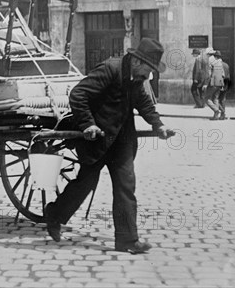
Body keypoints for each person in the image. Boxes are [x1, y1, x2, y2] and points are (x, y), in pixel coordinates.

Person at [44, 38, 175, 253]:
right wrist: (88, 124)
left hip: (122, 141)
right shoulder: (110, 69)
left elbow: (144, 104)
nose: (149, 75)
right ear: (136, 62)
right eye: (148, 69)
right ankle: (54, 214)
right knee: (86, 182)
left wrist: (158, 125)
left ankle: (127, 240)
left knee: (126, 186)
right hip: (97, 139)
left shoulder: (136, 79)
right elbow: (78, 94)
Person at [203, 48, 225, 120]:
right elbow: (223, 75)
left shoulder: (211, 63)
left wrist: (206, 84)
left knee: (206, 98)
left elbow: (209, 75)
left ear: (214, 56)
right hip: (219, 83)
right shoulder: (220, 63)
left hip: (213, 83)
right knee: (215, 98)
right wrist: (222, 84)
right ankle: (216, 116)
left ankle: (216, 110)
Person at [215, 51, 230, 120]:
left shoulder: (217, 65)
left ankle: (222, 112)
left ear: (216, 57)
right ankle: (222, 114)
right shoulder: (226, 65)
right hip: (226, 84)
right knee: (222, 99)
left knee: (215, 99)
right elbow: (228, 76)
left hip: (219, 84)